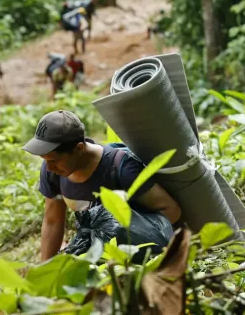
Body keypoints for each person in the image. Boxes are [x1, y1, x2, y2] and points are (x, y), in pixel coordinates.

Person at [23, 110, 182, 261]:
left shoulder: (122, 169)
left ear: (79, 148)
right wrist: (45, 272)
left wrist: (124, 233)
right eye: (45, 160)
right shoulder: (53, 172)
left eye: (54, 160)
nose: (49, 167)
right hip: (95, 251)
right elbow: (53, 221)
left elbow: (171, 210)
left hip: (136, 255)